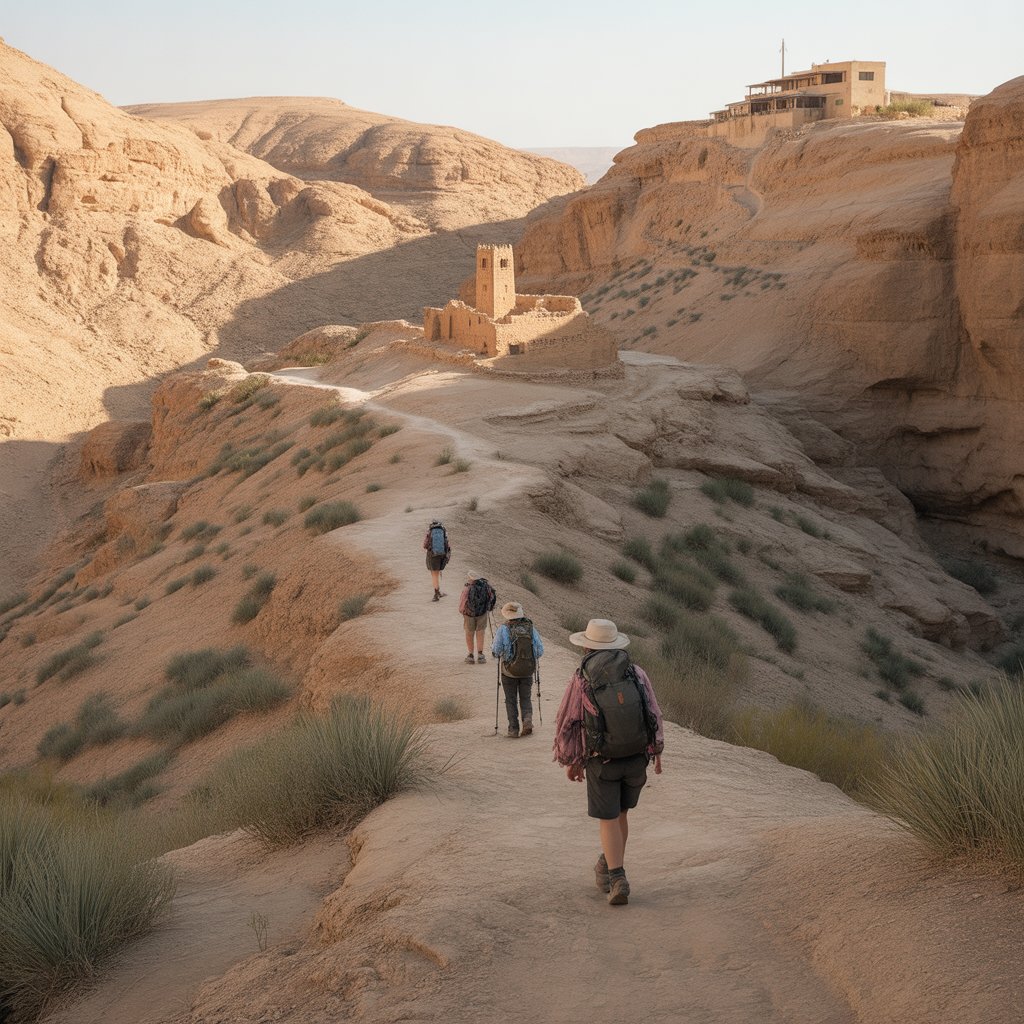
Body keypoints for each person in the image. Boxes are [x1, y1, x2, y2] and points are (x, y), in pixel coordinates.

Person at [553, 618, 664, 906]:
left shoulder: (582, 678)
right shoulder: (636, 673)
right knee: (621, 815)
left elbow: (568, 720)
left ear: (587, 645)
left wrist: (572, 760)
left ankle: (617, 877)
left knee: (608, 818)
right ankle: (609, 863)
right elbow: (653, 711)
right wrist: (657, 751)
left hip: (602, 760)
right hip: (636, 757)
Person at [491, 602, 544, 738]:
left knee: (510, 700)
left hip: (509, 672)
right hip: (527, 671)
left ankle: (513, 729)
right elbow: (539, 651)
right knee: (525, 698)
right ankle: (527, 721)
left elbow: (496, 650)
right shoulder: (530, 628)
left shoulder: (503, 629)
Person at [458, 571, 496, 664]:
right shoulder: (486, 586)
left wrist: (462, 611)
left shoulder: (467, 588)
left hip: (469, 614)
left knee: (469, 633)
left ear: (470, 578)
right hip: (482, 613)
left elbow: (463, 603)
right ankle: (480, 655)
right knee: (480, 633)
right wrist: (488, 608)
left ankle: (470, 655)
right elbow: (491, 597)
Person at [422, 520, 451, 602]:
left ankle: (436, 595)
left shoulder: (430, 531)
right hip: (442, 555)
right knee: (436, 574)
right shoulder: (443, 530)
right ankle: (439, 592)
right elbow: (448, 545)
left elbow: (425, 545)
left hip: (433, 556)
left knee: (434, 575)